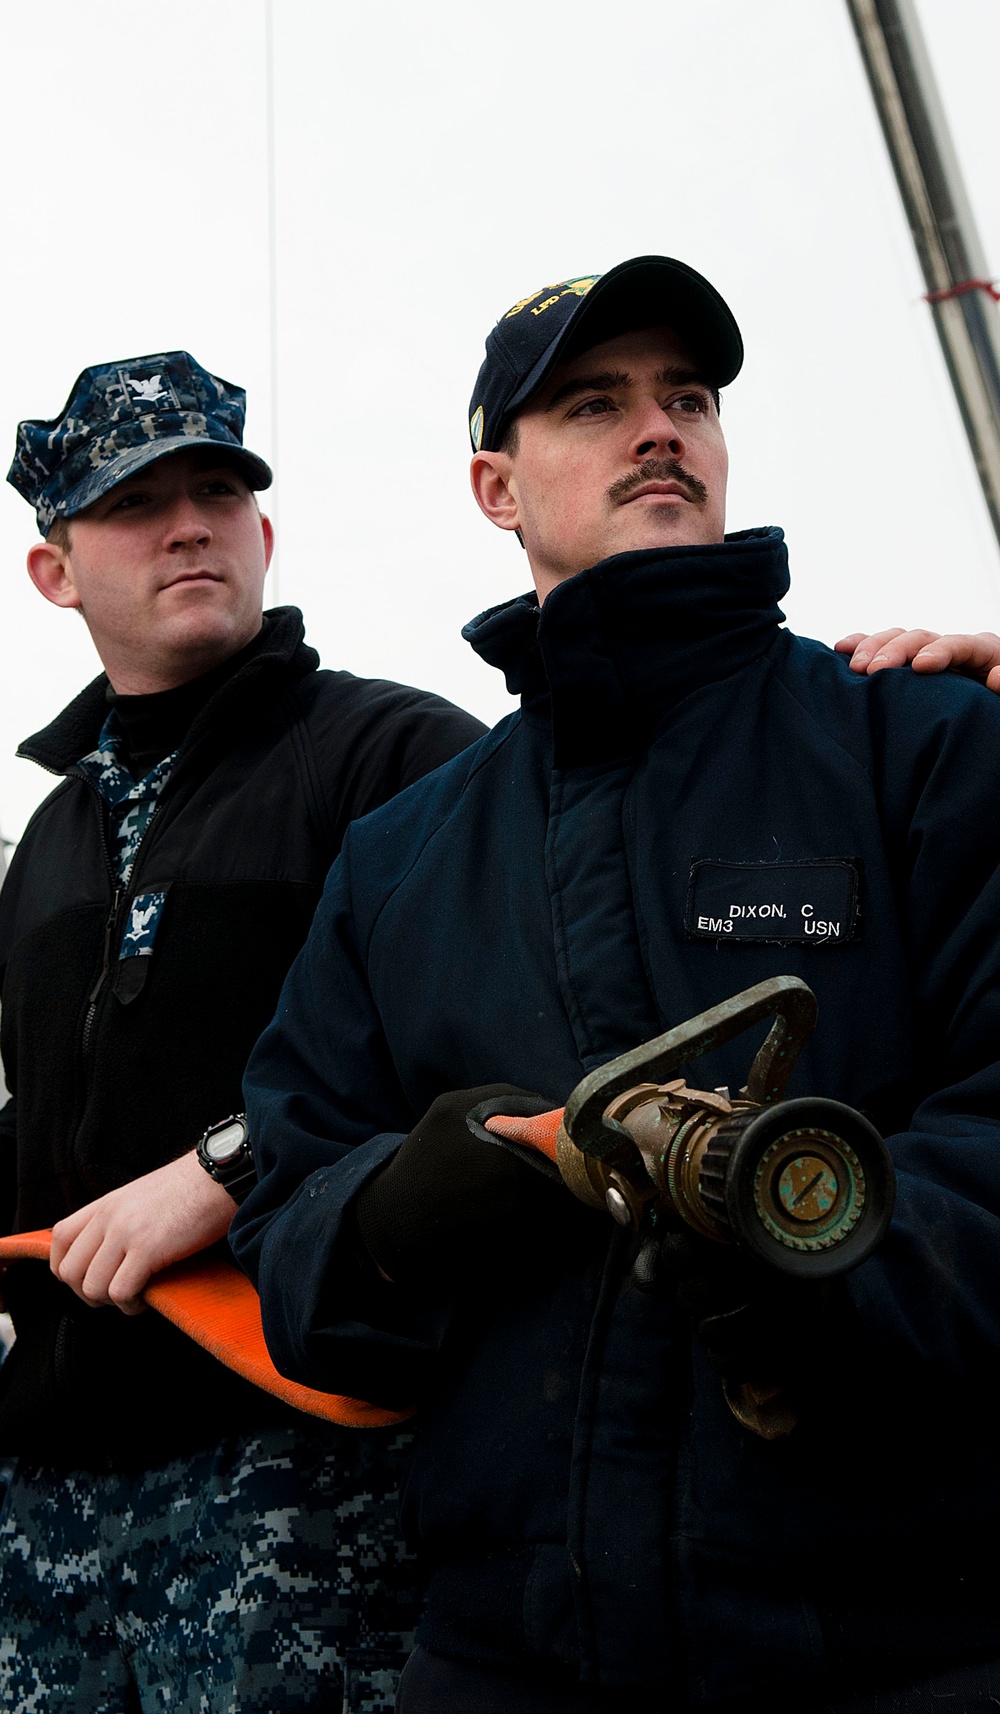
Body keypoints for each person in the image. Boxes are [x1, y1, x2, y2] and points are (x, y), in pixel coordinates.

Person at [233, 257, 1000, 1714]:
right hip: (510, 1659)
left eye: (688, 397)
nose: (660, 429)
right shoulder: (400, 857)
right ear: (497, 489)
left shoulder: (923, 746)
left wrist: (819, 1242)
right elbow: (286, 1207)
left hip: (900, 1645)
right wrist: (392, 1217)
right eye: (594, 403)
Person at [0, 351, 485, 1713]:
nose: (188, 524)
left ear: (262, 534)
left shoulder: (397, 758)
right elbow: (43, 1127)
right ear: (56, 572)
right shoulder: (46, 840)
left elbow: (481, 1052)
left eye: (216, 491)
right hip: (49, 1489)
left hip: (302, 1468)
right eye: (135, 502)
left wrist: (226, 1164)